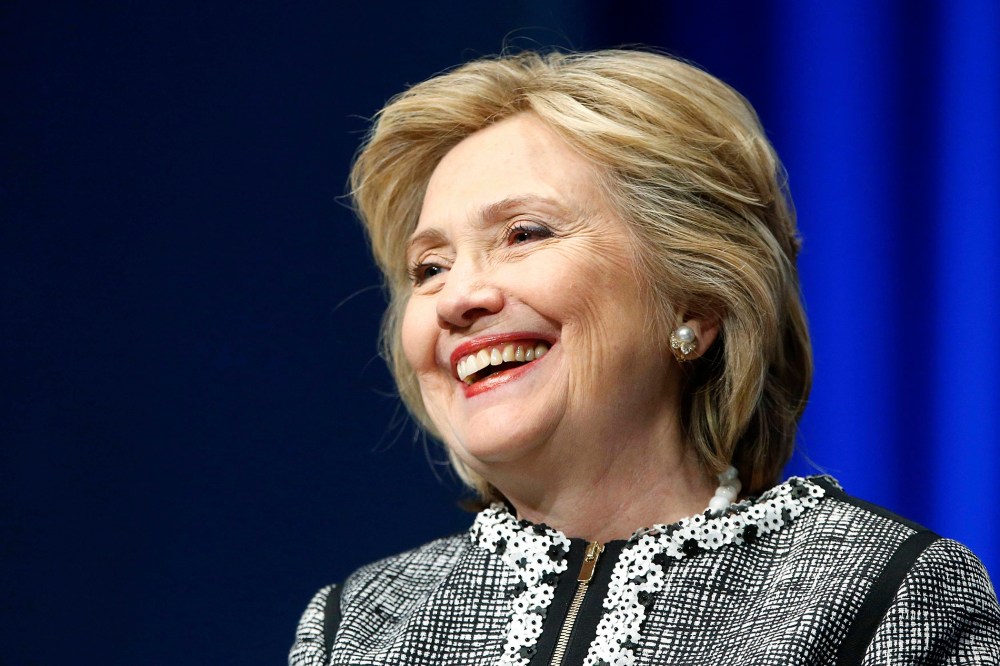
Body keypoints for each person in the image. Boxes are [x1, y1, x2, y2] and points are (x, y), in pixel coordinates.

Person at [290, 49, 1000, 665]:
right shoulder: (356, 626)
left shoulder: (879, 595)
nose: (457, 298)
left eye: (524, 233)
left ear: (695, 301)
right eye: (429, 268)